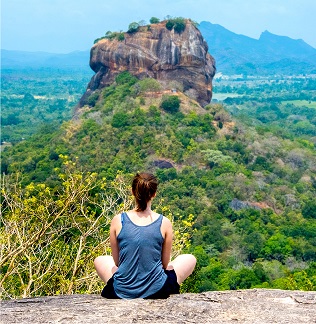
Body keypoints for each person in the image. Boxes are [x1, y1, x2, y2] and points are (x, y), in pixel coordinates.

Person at [94, 172, 196, 299]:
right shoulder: (164, 222)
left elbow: (117, 262)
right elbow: (164, 264)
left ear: (132, 192)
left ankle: (128, 285)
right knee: (189, 258)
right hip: (157, 290)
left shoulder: (118, 220)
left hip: (121, 291)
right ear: (154, 194)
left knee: (100, 260)